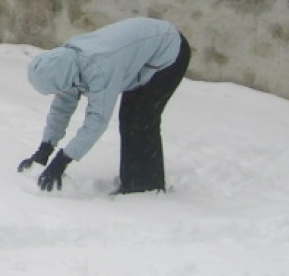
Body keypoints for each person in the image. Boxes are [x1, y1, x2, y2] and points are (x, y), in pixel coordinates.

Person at [18, 16, 191, 195]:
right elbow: (61, 109)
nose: (59, 95)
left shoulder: (99, 69)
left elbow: (97, 121)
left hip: (169, 52)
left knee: (140, 119)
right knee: (131, 118)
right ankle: (137, 181)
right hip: (140, 56)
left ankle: (145, 188)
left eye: (58, 90)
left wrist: (62, 160)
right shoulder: (67, 64)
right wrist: (45, 149)